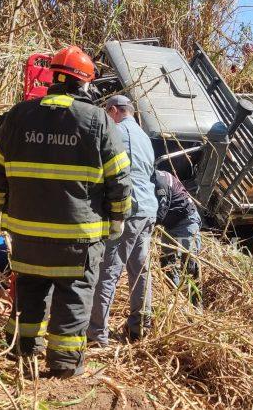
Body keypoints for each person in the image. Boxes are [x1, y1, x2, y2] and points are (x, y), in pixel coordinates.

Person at [0, 45, 132, 378]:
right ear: (84, 84)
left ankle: (22, 352)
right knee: (74, 293)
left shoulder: (18, 115)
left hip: (26, 233)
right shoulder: (96, 119)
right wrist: (118, 218)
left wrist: (6, 206)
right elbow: (119, 177)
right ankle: (65, 364)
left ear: (54, 77)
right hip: (76, 237)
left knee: (30, 289)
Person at [88, 95, 158, 345]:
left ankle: (96, 334)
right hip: (148, 209)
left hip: (130, 209)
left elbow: (114, 175)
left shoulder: (116, 131)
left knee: (108, 270)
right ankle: (140, 327)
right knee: (140, 271)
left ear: (114, 110)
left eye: (108, 114)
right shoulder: (144, 136)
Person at [155, 170, 202, 306]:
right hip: (170, 225)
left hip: (186, 222)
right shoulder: (151, 180)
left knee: (190, 266)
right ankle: (176, 301)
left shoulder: (160, 181)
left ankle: (196, 308)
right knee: (166, 263)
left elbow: (160, 211)